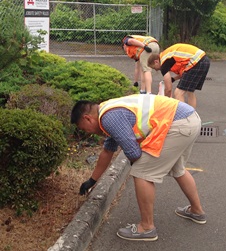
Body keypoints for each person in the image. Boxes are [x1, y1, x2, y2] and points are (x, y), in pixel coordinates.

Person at [71, 94, 206, 242]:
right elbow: (108, 151)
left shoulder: (109, 117)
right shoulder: (108, 110)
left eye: (84, 129)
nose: (87, 133)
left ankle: (147, 228)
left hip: (178, 124)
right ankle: (196, 211)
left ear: (87, 118)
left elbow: (133, 152)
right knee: (177, 168)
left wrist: (140, 165)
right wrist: (92, 180)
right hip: (189, 119)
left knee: (141, 172)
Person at [147, 43, 210, 109]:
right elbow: (185, 73)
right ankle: (192, 115)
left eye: (154, 68)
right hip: (203, 59)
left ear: (156, 62)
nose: (156, 70)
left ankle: (183, 117)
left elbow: (168, 89)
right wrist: (174, 79)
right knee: (190, 91)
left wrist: (165, 104)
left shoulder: (163, 62)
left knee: (178, 93)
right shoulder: (167, 56)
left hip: (196, 61)